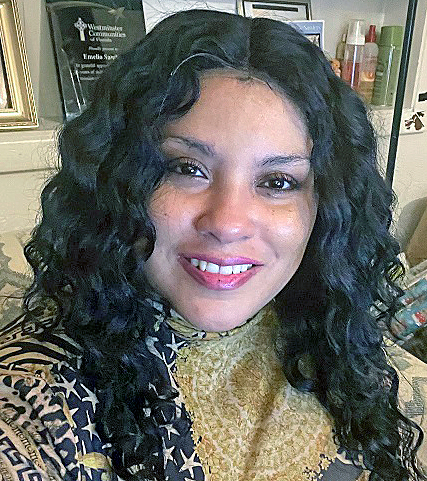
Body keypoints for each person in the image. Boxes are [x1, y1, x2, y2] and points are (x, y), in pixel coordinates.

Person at [0, 9, 425, 481]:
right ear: (118, 177)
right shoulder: (35, 398)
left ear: (325, 205)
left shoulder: (332, 333)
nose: (226, 223)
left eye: (278, 181)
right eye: (187, 169)